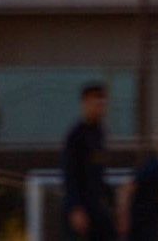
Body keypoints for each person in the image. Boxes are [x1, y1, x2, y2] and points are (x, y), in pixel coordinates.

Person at [61, 82, 116, 240]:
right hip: (81, 208)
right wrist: (75, 208)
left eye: (103, 103)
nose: (100, 107)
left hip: (96, 206)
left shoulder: (100, 133)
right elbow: (70, 174)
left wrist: (112, 199)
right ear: (85, 103)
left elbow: (98, 173)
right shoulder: (76, 136)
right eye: (96, 102)